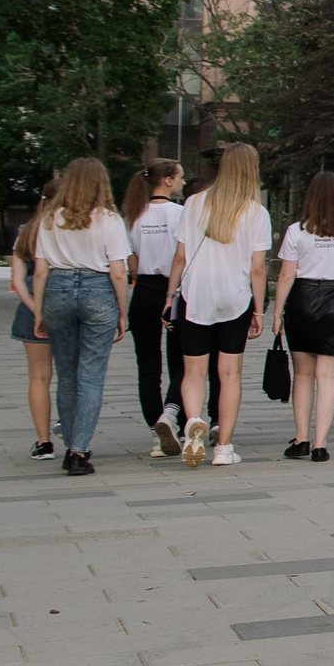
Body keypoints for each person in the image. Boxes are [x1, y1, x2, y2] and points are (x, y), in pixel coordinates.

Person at [167, 143, 272, 468]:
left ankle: (193, 421)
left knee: (194, 371)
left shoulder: (194, 203)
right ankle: (224, 448)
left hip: (196, 294)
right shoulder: (256, 212)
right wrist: (258, 310)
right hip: (235, 297)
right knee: (230, 374)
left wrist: (170, 295)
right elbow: (257, 268)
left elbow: (181, 256)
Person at [33, 158, 133, 478]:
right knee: (91, 375)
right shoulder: (110, 220)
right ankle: (79, 450)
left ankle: (68, 445)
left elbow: (40, 270)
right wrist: (122, 312)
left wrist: (39, 311)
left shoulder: (50, 218)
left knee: (67, 374)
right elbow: (119, 272)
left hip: (57, 289)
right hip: (98, 289)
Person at [269, 171, 334, 462]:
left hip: (301, 299)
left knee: (303, 374)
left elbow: (286, 275)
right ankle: (320, 444)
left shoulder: (296, 231)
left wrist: (277, 313)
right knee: (328, 377)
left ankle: (301, 438)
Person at [122, 160, 190, 456]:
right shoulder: (181, 213)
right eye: (181, 177)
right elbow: (184, 256)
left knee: (148, 367)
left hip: (144, 290)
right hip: (174, 291)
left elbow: (131, 263)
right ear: (168, 181)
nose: (184, 182)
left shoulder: (133, 215)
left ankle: (156, 429)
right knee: (182, 363)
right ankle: (176, 420)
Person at [8, 180, 57, 461]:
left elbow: (17, 281)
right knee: (74, 375)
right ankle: (75, 433)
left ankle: (43, 442)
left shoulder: (26, 233)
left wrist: (36, 310)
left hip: (32, 310)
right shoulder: (71, 229)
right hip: (69, 305)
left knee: (39, 377)